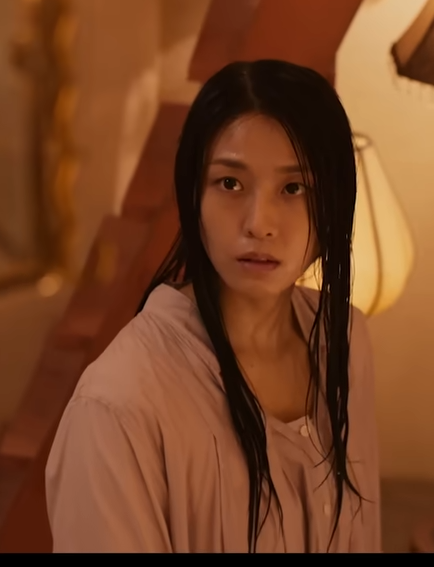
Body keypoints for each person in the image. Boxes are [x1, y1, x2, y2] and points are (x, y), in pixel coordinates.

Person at [45, 60, 381, 553]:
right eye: (230, 183)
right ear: (193, 197)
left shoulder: (343, 337)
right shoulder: (119, 407)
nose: (259, 223)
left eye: (294, 188)